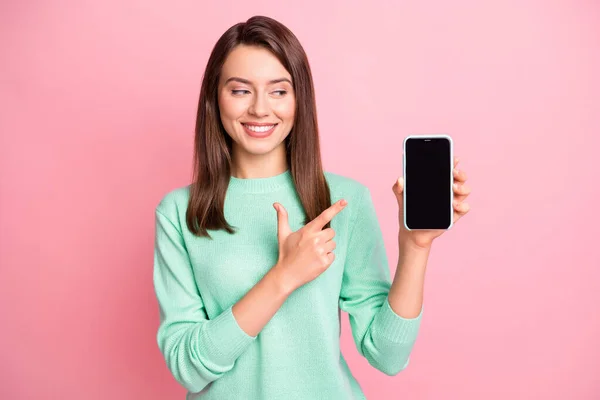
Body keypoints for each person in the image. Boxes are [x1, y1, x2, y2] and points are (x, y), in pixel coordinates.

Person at [153, 15, 471, 400]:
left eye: (278, 91)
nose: (259, 109)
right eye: (240, 90)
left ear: (299, 99)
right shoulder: (179, 212)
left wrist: (416, 247)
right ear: (213, 98)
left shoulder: (344, 201)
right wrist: (283, 277)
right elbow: (188, 366)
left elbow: (388, 355)